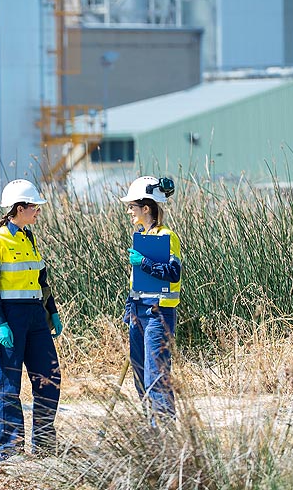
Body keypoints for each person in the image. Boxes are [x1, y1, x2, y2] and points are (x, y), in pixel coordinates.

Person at [0, 179, 63, 460]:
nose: (38, 211)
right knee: (9, 386)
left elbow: (41, 280)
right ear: (20, 207)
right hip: (11, 318)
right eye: (34, 206)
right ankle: (10, 450)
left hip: (36, 315)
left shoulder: (30, 238)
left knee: (49, 378)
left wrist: (52, 311)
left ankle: (45, 446)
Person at [121, 175, 181, 418]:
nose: (129, 211)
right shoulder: (141, 238)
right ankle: (151, 428)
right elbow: (137, 282)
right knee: (140, 373)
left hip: (158, 314)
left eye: (132, 207)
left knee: (156, 375)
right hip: (138, 312)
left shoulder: (167, 236)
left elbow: (173, 273)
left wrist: (143, 262)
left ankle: (165, 434)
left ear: (146, 208)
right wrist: (129, 307)